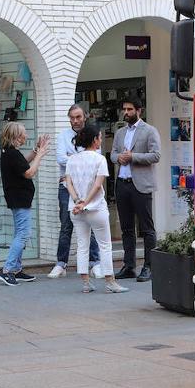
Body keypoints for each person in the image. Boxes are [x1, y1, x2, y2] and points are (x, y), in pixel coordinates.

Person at [65, 124, 127, 294]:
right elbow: (97, 185)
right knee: (105, 245)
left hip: (76, 209)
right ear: (94, 140)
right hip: (95, 208)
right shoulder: (100, 159)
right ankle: (110, 281)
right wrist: (85, 203)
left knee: (82, 245)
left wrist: (78, 201)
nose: (101, 139)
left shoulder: (72, 159)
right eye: (100, 137)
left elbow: (68, 183)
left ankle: (85, 283)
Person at [109, 98, 161, 282]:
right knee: (126, 228)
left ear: (139, 111)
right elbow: (113, 153)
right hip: (122, 184)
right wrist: (118, 158)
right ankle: (129, 265)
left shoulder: (149, 131)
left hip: (141, 184)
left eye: (130, 109)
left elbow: (156, 155)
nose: (126, 112)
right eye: (124, 109)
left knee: (147, 228)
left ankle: (149, 266)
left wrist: (133, 157)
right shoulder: (120, 132)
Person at [0, 122, 50, 287]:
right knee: (23, 234)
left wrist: (35, 151)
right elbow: (28, 172)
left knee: (20, 233)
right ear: (16, 137)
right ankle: (7, 270)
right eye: (23, 134)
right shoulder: (11, 154)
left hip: (18, 198)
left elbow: (23, 164)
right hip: (19, 198)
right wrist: (40, 155)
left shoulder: (11, 153)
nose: (26, 136)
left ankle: (17, 269)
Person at [49, 104, 100, 278]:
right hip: (66, 188)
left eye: (78, 117)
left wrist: (73, 159)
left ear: (84, 116)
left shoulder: (93, 134)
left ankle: (95, 263)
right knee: (66, 225)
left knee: (91, 223)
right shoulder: (63, 136)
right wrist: (82, 159)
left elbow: (95, 159)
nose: (75, 121)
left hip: (87, 189)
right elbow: (60, 158)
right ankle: (61, 264)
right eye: (72, 117)